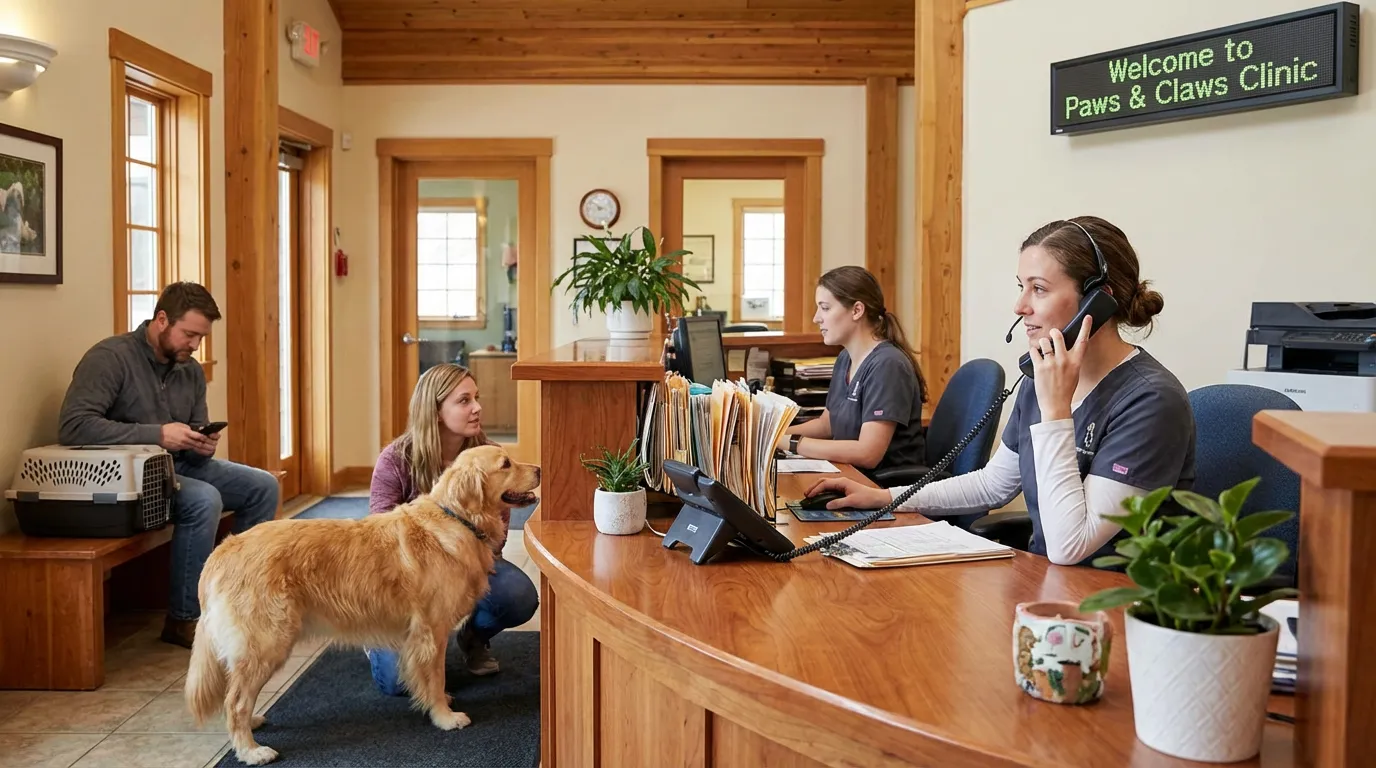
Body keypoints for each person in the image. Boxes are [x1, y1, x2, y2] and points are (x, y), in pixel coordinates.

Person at [803, 216, 1196, 567]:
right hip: (1047, 586)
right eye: (1021, 287)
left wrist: (1056, 409)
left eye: (1038, 289)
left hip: (1116, 603)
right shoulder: (1039, 378)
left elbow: (1070, 545)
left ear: (1100, 299)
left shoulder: (1150, 401)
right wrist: (883, 497)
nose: (1019, 305)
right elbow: (993, 484)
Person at [58, 282, 279, 647]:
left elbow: (191, 438)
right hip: (128, 476)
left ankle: (242, 603)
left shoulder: (188, 370)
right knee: (204, 499)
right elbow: (74, 425)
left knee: (263, 485)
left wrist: (201, 443)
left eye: (200, 337)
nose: (194, 345)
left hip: (182, 467)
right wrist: (158, 435)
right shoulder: (110, 359)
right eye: (189, 334)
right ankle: (184, 618)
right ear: (161, 320)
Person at [364, 363, 539, 695]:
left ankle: (471, 638)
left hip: (470, 564)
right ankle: (381, 642)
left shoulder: (486, 457)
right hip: (406, 586)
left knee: (518, 596)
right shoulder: (395, 460)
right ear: (436, 412)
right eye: (464, 401)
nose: (477, 408)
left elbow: (495, 541)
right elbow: (380, 543)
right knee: (397, 683)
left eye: (476, 397)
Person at [784, 266, 928, 477]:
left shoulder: (888, 365)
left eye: (824, 308)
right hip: (851, 476)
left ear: (857, 310)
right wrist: (771, 435)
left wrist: (792, 443)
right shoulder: (845, 358)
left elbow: (868, 453)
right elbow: (827, 425)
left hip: (883, 487)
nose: (816, 318)